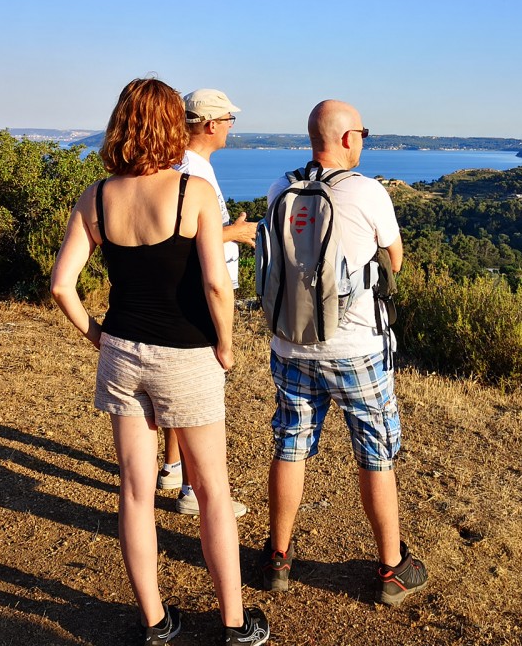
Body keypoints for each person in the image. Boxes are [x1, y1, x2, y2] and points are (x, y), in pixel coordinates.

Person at [51, 78, 270, 645]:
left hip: (122, 352)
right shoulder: (190, 190)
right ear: (173, 125)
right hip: (186, 352)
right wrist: (224, 342)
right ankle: (234, 622)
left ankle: (154, 621)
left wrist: (97, 335)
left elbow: (60, 286)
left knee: (135, 491)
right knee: (213, 492)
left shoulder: (96, 196)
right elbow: (217, 285)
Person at [261, 100, 428, 606]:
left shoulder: (279, 188)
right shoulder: (367, 191)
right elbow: (394, 258)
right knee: (375, 453)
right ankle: (392, 569)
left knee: (291, 443)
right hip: (355, 347)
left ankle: (277, 558)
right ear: (348, 138)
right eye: (363, 132)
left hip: (289, 342)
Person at [158, 88, 255, 518]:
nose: (232, 127)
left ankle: (172, 468)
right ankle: (195, 493)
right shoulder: (192, 170)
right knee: (198, 398)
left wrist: (227, 229)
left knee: (177, 391)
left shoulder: (182, 164)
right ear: (211, 125)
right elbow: (186, 238)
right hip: (198, 297)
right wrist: (237, 233)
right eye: (229, 120)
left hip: (183, 293)